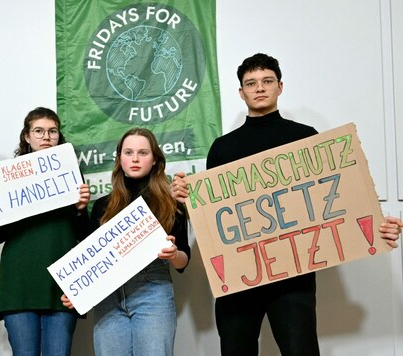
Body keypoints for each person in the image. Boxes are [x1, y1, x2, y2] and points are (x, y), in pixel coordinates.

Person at [171, 53, 403, 355]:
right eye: (251, 83)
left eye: (267, 81)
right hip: (239, 277)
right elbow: (215, 216)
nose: (259, 88)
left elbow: (334, 197)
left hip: (294, 277)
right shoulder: (223, 148)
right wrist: (186, 200)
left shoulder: (305, 138)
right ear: (241, 93)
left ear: (280, 86)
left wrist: (378, 227)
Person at [0, 107, 90, 356]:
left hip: (62, 282)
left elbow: (84, 232)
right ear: (27, 136)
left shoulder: (73, 174)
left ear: (59, 136)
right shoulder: (7, 177)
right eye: (39, 131)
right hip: (20, 283)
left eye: (52, 131)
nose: (46, 137)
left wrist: (80, 209)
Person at [62, 127, 191, 356]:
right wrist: (77, 291)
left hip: (153, 293)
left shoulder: (171, 204)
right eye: (128, 152)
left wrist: (173, 254)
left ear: (154, 160)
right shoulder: (103, 206)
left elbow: (183, 261)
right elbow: (92, 259)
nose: (134, 159)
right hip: (108, 298)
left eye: (143, 153)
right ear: (119, 158)